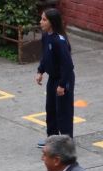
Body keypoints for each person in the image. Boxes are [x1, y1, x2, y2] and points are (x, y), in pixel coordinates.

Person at [35, 9, 75, 148]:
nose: (41, 22)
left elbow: (68, 65)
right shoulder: (46, 36)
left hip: (63, 80)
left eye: (44, 20)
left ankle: (66, 143)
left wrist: (62, 85)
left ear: (52, 22)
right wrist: (40, 71)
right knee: (51, 109)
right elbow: (45, 56)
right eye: (41, 19)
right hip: (53, 79)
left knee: (63, 112)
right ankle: (52, 139)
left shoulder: (59, 41)